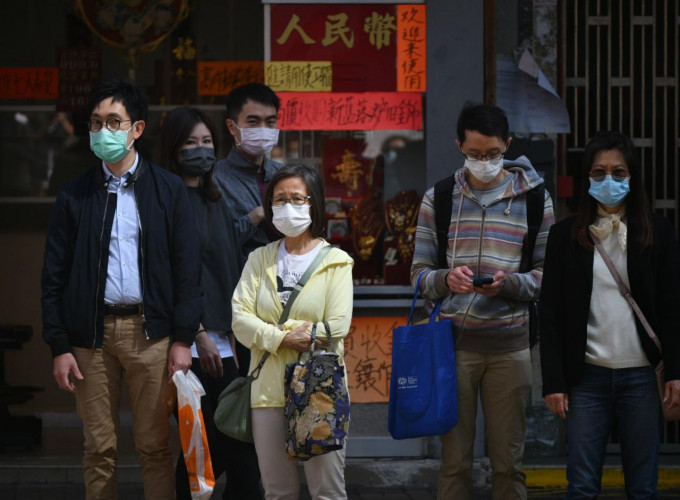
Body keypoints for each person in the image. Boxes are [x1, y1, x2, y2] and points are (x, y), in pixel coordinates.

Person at [41, 77, 202, 499]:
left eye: (114, 122)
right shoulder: (75, 194)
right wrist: (59, 345)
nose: (103, 132)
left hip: (152, 336)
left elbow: (188, 271)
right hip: (90, 339)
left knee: (154, 445)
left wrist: (183, 339)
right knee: (98, 448)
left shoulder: (167, 190)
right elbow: (53, 276)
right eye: (95, 123)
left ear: (138, 129)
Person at [410, 103, 555, 499]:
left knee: (509, 464)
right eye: (474, 154)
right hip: (451, 348)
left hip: (511, 347)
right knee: (454, 463)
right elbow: (419, 275)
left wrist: (509, 285)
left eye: (492, 153)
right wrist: (445, 279)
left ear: (507, 145)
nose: (484, 161)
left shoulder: (535, 199)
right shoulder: (438, 197)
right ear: (459, 146)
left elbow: (547, 276)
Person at [540, 131, 680, 499]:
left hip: (642, 378)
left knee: (643, 487)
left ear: (632, 177)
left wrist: (676, 374)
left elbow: (671, 307)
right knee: (582, 486)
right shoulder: (563, 236)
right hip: (587, 379)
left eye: (619, 172)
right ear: (586, 177)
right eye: (599, 172)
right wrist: (554, 381)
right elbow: (550, 314)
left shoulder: (658, 232)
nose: (609, 180)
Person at [231, 164, 354, 500]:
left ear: (313, 203)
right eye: (279, 200)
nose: (287, 207)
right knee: (277, 491)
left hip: (319, 387)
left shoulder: (337, 261)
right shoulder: (259, 259)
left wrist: (271, 330)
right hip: (267, 392)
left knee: (327, 491)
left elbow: (337, 326)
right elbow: (240, 319)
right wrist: (284, 338)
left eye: (296, 199)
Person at [159, 106, 263, 500]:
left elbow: (222, 255)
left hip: (229, 339)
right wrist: (196, 332)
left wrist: (254, 216)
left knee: (239, 448)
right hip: (193, 345)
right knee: (204, 446)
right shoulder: (168, 200)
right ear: (173, 149)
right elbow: (171, 274)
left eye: (207, 142)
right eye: (191, 143)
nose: (201, 150)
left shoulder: (213, 195)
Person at [214, 82, 284, 376]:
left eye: (270, 122)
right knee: (246, 394)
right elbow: (216, 244)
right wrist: (256, 215)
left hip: (288, 302)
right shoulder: (215, 178)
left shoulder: (285, 174)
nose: (263, 130)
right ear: (232, 126)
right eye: (253, 122)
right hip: (241, 306)